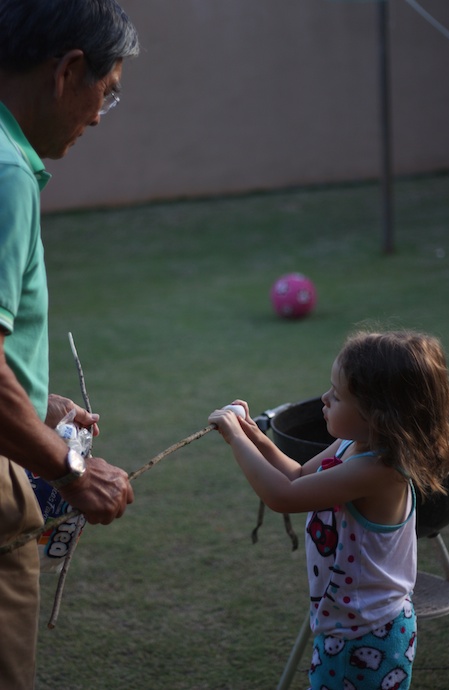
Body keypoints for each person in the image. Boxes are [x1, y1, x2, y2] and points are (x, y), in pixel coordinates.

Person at [0, 1, 140, 687]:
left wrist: (31, 400)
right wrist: (73, 471)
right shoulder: (6, 175)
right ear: (68, 71)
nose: (96, 118)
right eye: (103, 96)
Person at [209, 330, 449, 690]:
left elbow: (283, 497)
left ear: (379, 414)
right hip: (348, 624)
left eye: (338, 396)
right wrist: (254, 436)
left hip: (367, 634)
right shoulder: (350, 444)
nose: (325, 399)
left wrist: (234, 438)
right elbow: (295, 475)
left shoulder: (380, 471)